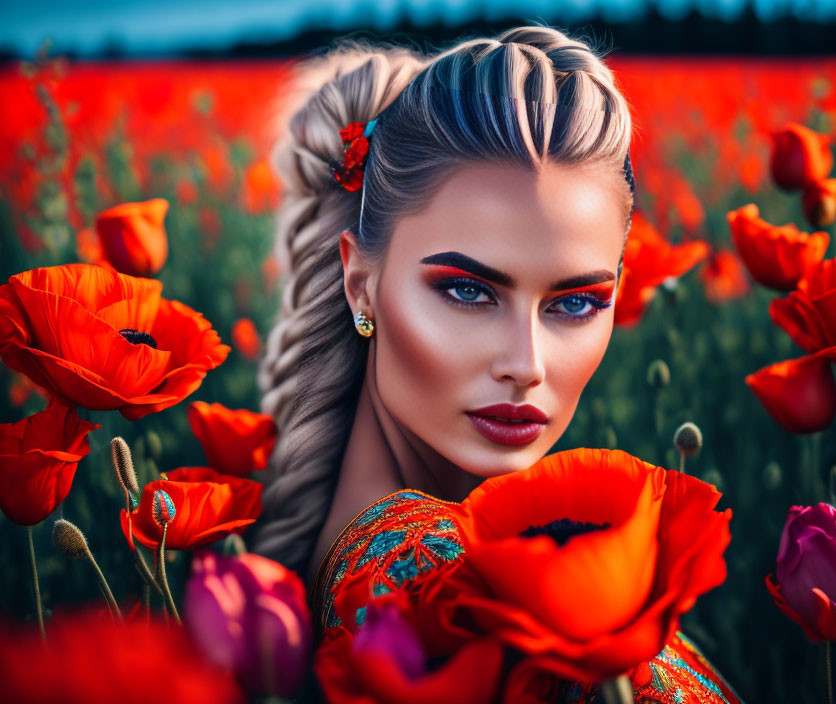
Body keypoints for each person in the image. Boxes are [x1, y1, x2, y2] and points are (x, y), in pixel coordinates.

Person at [251, 25, 742, 702]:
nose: (526, 364)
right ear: (359, 282)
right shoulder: (435, 593)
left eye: (575, 303)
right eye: (467, 291)